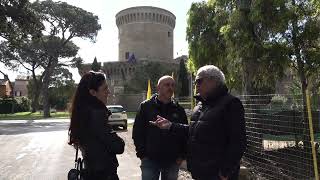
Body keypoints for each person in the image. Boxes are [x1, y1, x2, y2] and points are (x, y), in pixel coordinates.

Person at [151, 65, 247, 180]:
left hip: (217, 175)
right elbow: (194, 131)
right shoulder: (200, 106)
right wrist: (171, 126)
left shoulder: (231, 104)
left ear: (213, 81)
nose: (195, 85)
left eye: (198, 81)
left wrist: (225, 171)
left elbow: (238, 142)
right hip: (199, 172)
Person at [68, 71, 125, 180]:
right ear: (93, 92)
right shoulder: (97, 114)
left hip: (90, 172)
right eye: (105, 89)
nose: (108, 92)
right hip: (104, 174)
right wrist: (119, 141)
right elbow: (118, 146)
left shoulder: (82, 114)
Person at [132, 75, 188, 180]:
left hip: (172, 160)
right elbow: (137, 132)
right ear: (158, 88)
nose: (170, 88)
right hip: (150, 160)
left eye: (172, 85)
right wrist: (142, 154)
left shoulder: (179, 109)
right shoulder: (146, 107)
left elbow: (185, 133)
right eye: (167, 85)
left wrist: (182, 155)